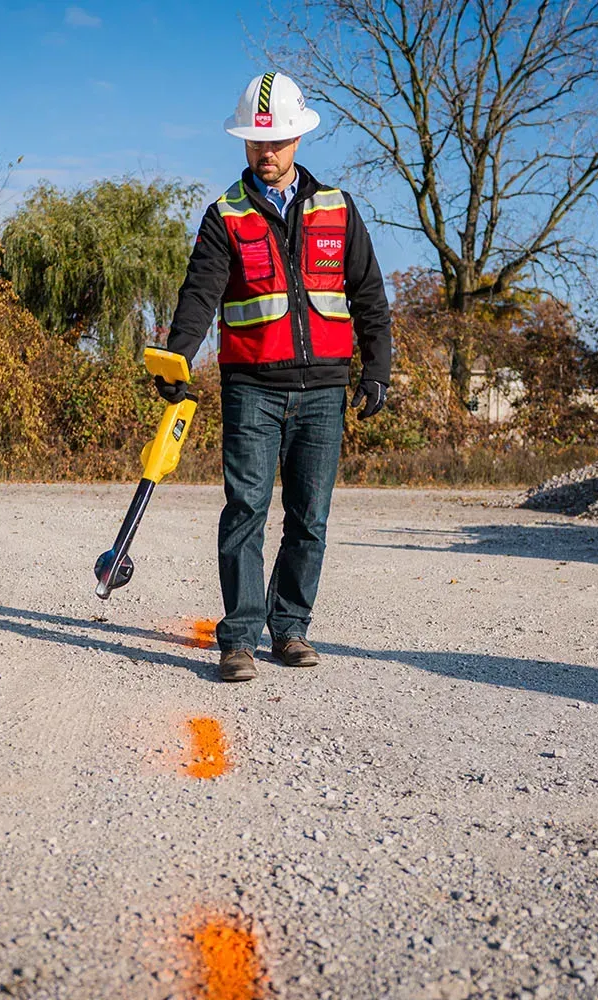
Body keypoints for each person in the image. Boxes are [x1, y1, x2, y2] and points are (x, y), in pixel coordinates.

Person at [160, 71, 392, 682]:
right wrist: (178, 357)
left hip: (323, 390)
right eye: (257, 142)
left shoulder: (337, 208)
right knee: (246, 509)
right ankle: (238, 637)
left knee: (309, 516)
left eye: (279, 141)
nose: (268, 152)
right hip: (252, 389)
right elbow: (198, 296)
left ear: (298, 140)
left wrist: (378, 368)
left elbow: (368, 293)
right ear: (244, 143)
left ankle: (290, 630)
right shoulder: (225, 216)